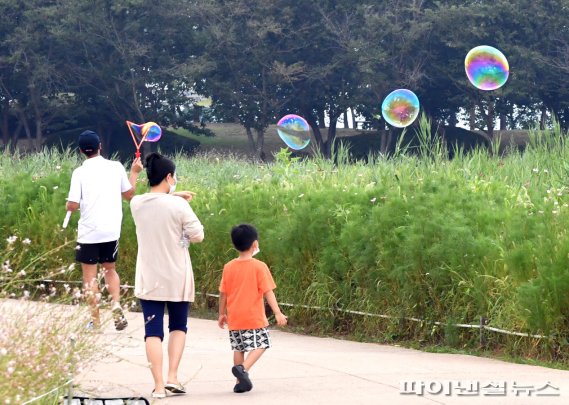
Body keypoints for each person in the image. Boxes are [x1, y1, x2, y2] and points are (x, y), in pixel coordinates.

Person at [130, 152, 204, 399]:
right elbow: (197, 235)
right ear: (169, 176)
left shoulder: (137, 203)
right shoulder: (180, 205)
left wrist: (174, 196)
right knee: (178, 326)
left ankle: (159, 385)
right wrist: (179, 200)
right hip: (177, 277)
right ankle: (173, 376)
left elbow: (155, 201)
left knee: (152, 332)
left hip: (150, 277)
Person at [66, 130, 143, 330]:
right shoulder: (116, 167)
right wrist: (134, 172)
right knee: (110, 269)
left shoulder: (79, 172)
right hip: (111, 230)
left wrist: (69, 206)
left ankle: (96, 321)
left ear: (81, 150)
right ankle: (116, 304)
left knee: (90, 277)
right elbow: (129, 195)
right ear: (100, 146)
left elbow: (73, 205)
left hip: (89, 232)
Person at [218, 224, 288, 393]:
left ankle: (239, 382)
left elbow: (223, 294)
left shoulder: (229, 267)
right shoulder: (259, 266)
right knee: (263, 343)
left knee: (238, 348)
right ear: (255, 244)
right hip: (253, 316)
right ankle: (243, 369)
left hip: (235, 316)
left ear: (234, 244)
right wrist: (278, 313)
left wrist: (221, 314)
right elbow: (268, 292)